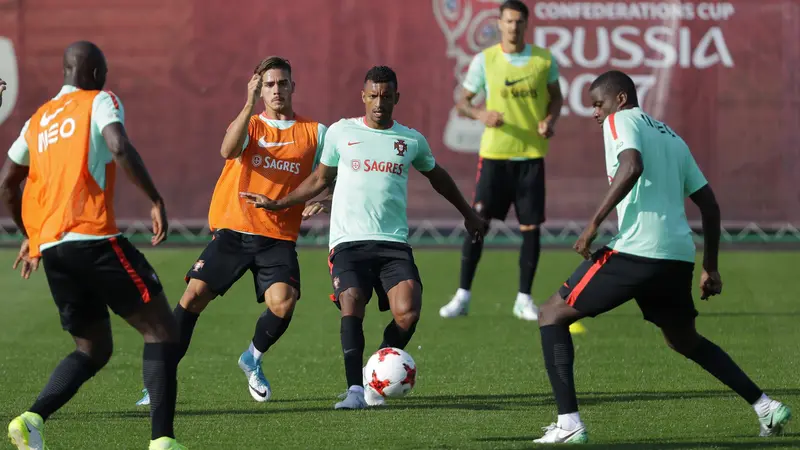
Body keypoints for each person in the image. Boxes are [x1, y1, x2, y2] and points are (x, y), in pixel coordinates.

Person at [532, 70, 792, 444]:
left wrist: (592, 225)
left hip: (638, 250)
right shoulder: (672, 137)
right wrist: (710, 267)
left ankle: (569, 424)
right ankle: (765, 406)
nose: (595, 114)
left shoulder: (620, 120)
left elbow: (632, 165)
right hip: (676, 257)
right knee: (684, 340)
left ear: (620, 99)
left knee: (551, 314)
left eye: (597, 104)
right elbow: (710, 206)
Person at [241, 65, 488, 410]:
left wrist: (469, 213)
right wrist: (281, 203)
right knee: (352, 300)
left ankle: (376, 374)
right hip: (348, 242)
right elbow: (319, 179)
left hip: (393, 244)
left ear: (396, 98)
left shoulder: (410, 140)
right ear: (363, 96)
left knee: (409, 313)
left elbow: (439, 178)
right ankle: (355, 391)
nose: (378, 103)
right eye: (373, 95)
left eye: (386, 97)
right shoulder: (342, 132)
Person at [1, 41, 186, 450]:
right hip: (94, 239)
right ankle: (163, 442)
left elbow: (7, 182)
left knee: (94, 347)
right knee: (162, 331)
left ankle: (32, 419)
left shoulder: (39, 119)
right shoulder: (100, 100)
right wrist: (155, 199)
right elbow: (118, 145)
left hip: (53, 250)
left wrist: (31, 234)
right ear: (98, 74)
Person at [136, 57, 328, 407]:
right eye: (269, 84)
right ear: (260, 89)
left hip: (278, 235)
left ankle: (252, 357)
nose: (276, 90)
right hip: (234, 229)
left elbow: (330, 177)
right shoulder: (250, 124)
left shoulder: (315, 132)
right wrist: (247, 103)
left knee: (283, 304)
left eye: (282, 83)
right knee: (193, 296)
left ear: (293, 87)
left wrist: (325, 199)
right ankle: (159, 382)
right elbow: (227, 150)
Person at [439, 0, 565, 323]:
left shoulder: (543, 59)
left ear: (526, 24)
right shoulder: (485, 60)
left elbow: (556, 97)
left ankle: (524, 298)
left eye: (519, 22)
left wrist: (549, 121)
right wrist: (481, 113)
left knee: (531, 229)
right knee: (478, 223)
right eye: (508, 21)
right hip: (494, 156)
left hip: (531, 158)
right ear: (499, 23)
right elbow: (462, 102)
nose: (513, 27)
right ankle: (462, 296)